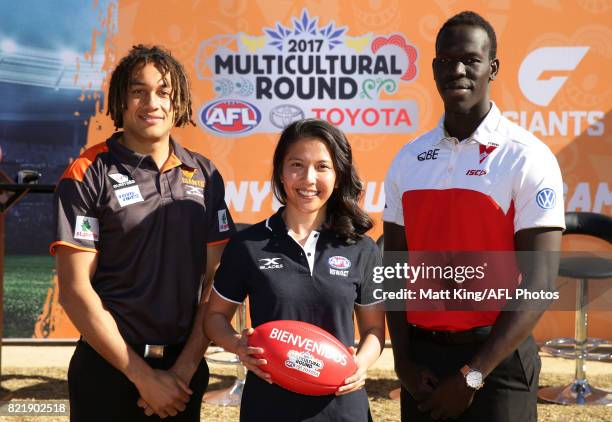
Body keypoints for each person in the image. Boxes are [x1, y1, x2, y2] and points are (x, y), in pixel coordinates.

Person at [383, 11, 565, 422]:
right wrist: (404, 364)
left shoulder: (526, 155)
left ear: (493, 68)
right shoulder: (409, 159)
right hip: (423, 364)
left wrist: (473, 374)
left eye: (470, 59)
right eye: (445, 60)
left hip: (498, 361)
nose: (457, 70)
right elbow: (393, 269)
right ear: (433, 68)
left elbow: (539, 283)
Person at [51, 44, 235, 421]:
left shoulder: (204, 173)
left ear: (178, 101)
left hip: (183, 373)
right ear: (121, 99)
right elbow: (74, 291)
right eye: (139, 91)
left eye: (164, 92)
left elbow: (217, 284)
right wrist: (143, 377)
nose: (152, 102)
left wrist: (181, 371)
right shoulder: (89, 171)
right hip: (108, 370)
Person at [204, 119, 385, 421]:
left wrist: (360, 365)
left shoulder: (361, 248)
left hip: (342, 408)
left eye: (322, 167)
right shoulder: (248, 244)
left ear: (338, 176)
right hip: (269, 407)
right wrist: (239, 345)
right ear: (280, 173)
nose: (308, 178)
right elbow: (214, 318)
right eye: (297, 165)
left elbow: (375, 330)